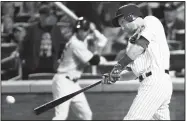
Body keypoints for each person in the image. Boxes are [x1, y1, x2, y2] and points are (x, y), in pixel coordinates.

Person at [102, 4, 173, 120]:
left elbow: (141, 46)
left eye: (123, 22)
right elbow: (135, 73)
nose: (122, 27)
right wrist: (115, 77)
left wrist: (119, 66)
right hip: (151, 83)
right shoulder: (131, 43)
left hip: (156, 81)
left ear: (131, 16)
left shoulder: (150, 21)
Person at [52, 17, 108, 120]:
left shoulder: (81, 41)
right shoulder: (75, 43)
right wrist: (102, 59)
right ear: (76, 30)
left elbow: (103, 40)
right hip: (63, 82)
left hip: (73, 83)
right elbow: (94, 61)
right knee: (61, 116)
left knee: (86, 115)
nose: (82, 32)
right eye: (79, 30)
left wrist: (95, 30)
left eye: (84, 30)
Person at [20, 5, 66, 79]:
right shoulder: (32, 29)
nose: (48, 18)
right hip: (35, 63)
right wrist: (23, 58)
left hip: (52, 63)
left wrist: (60, 60)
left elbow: (62, 46)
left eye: (49, 16)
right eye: (46, 16)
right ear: (41, 17)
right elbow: (24, 45)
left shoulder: (56, 30)